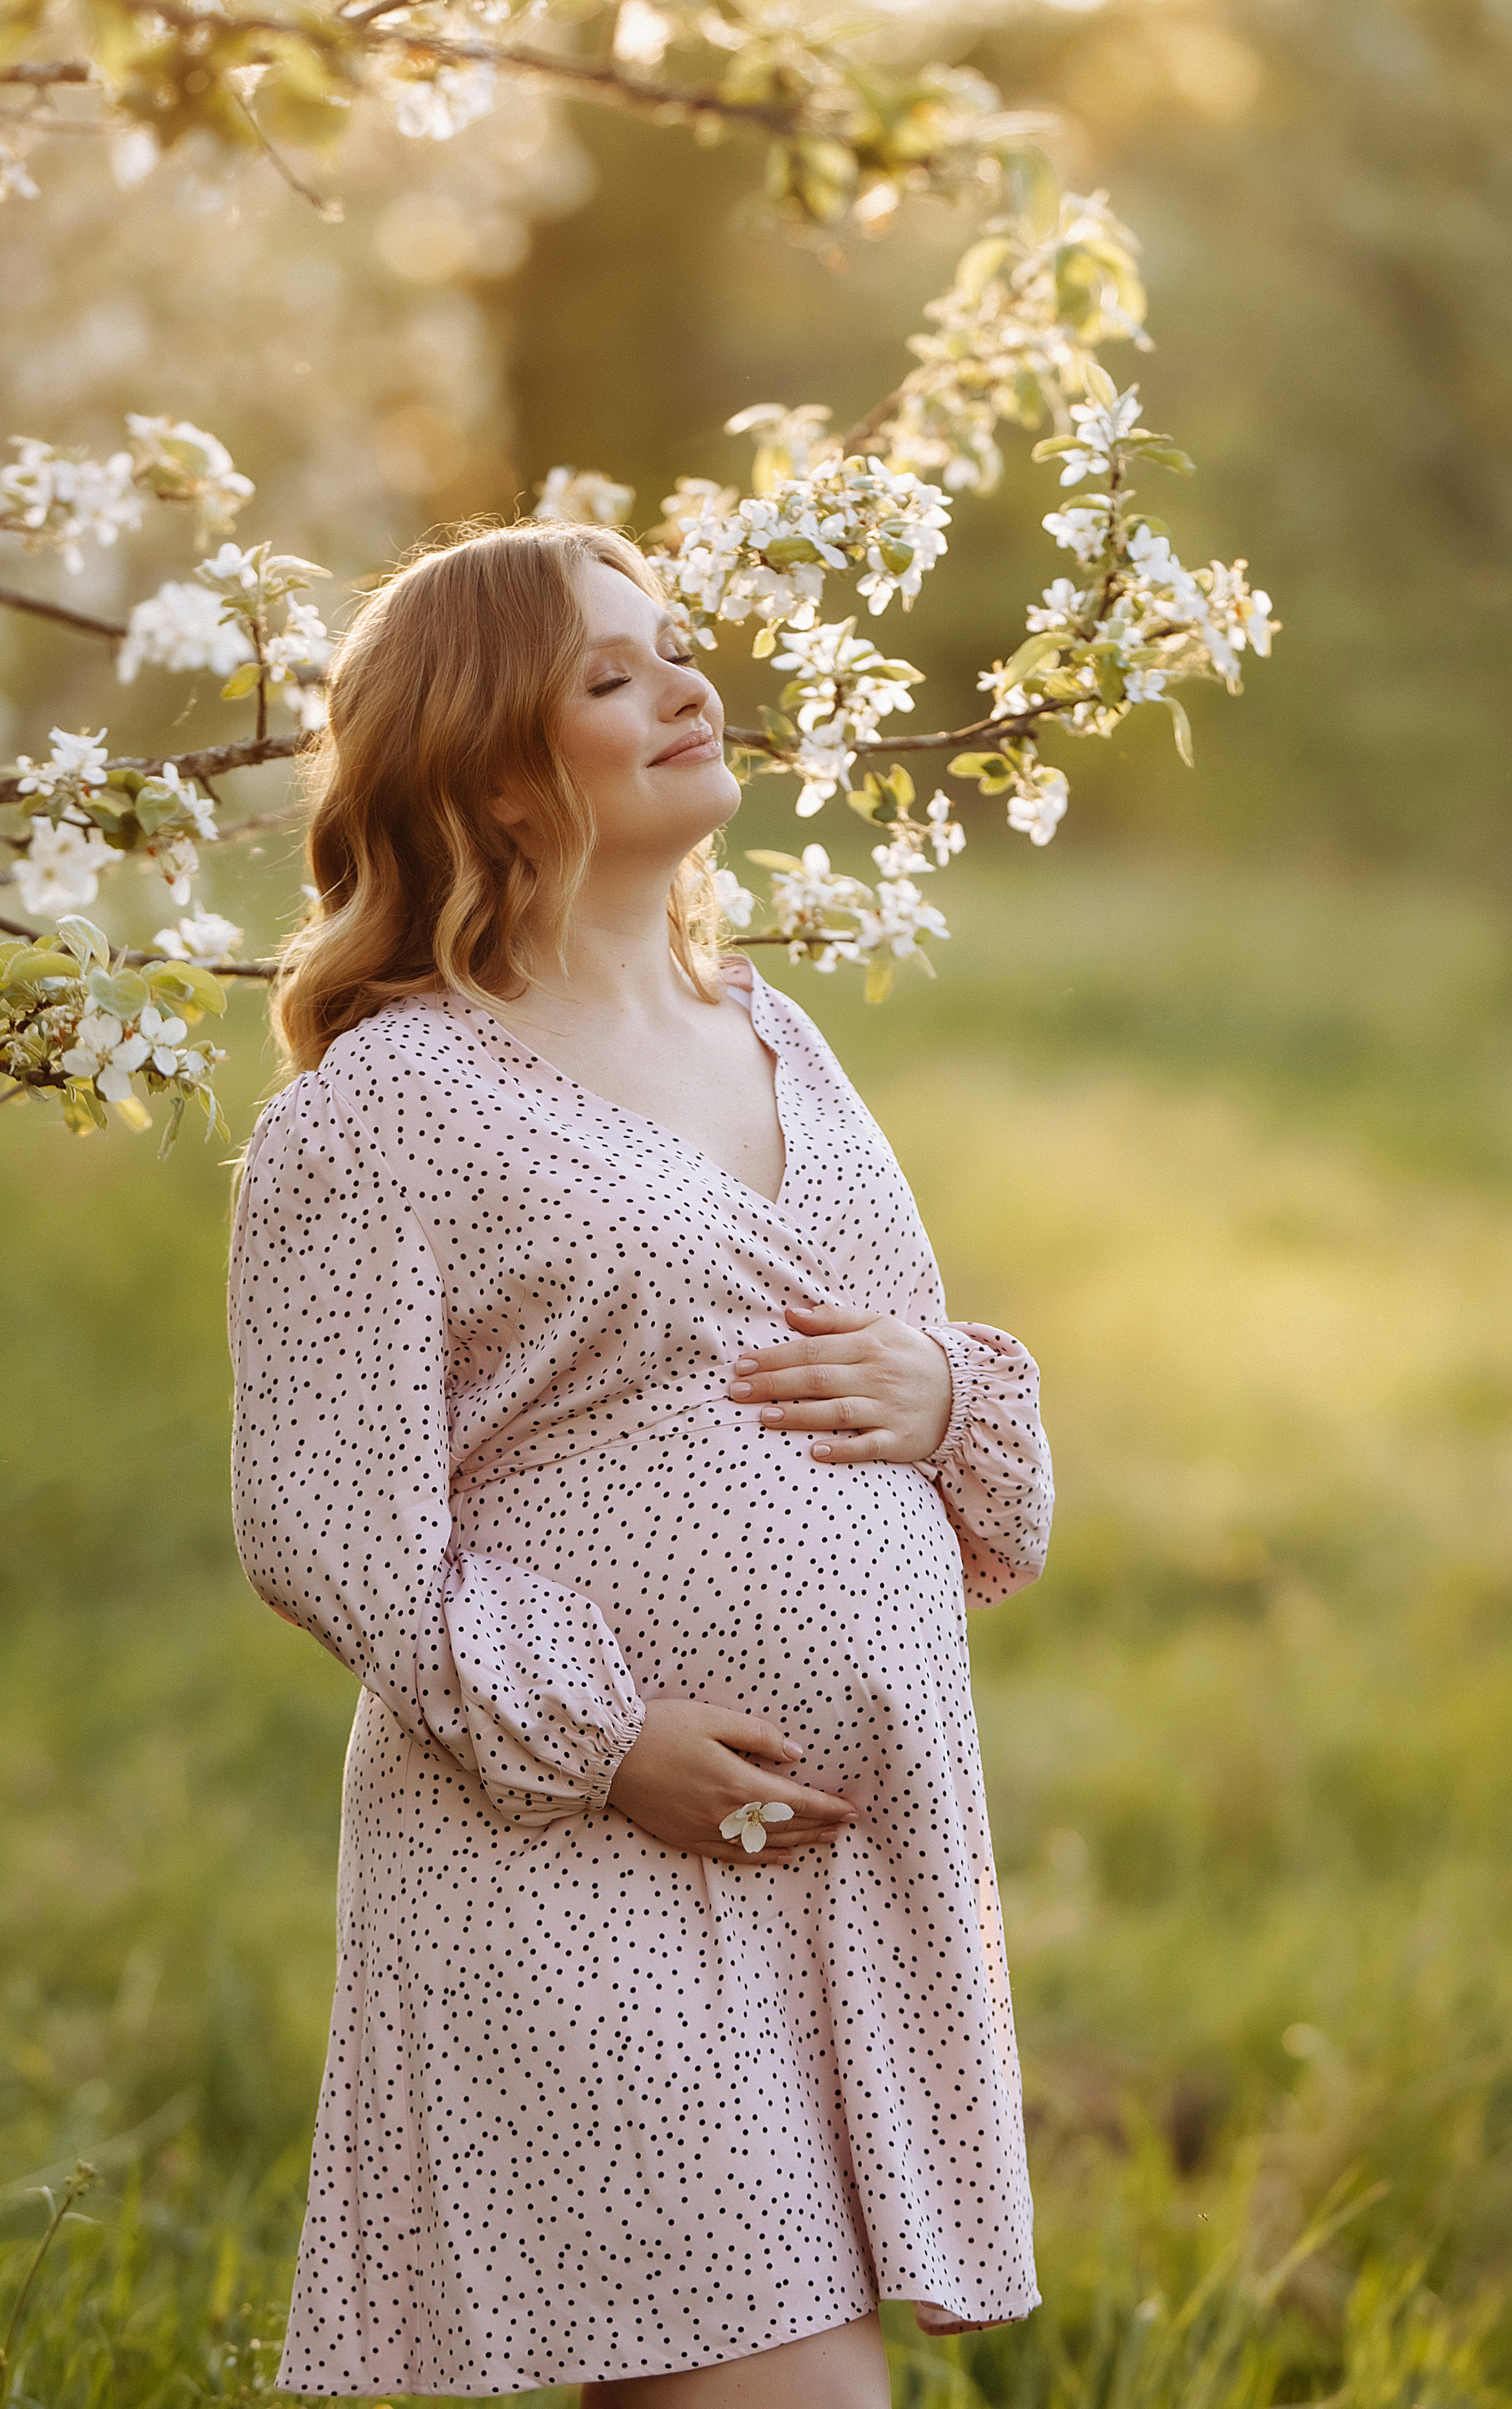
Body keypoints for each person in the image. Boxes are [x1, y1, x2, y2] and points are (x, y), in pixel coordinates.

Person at [228, 519, 1054, 2406]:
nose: (689, 688)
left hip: (837, 1872)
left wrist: (947, 1395)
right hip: (565, 1847)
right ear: (494, 772)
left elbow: (922, 1386)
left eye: (676, 649)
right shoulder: (385, 1111)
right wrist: (604, 1738)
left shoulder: (776, 1035)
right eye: (613, 674)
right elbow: (328, 1532)